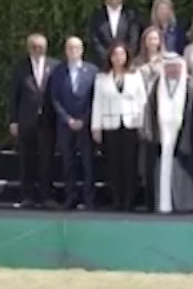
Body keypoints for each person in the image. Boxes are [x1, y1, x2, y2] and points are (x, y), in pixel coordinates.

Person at [140, 53, 193, 214]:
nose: (172, 69)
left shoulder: (190, 85)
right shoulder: (156, 85)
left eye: (175, 66)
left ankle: (184, 204)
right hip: (161, 135)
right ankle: (163, 204)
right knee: (161, 171)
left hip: (184, 135)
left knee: (183, 171)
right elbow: (150, 111)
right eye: (168, 67)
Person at [91, 42, 148, 212]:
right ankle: (116, 199)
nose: (118, 58)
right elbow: (97, 103)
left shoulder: (135, 75)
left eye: (121, 54)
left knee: (130, 164)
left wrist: (144, 124)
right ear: (110, 57)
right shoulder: (102, 77)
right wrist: (96, 126)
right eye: (115, 54)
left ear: (127, 57)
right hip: (110, 125)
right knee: (113, 164)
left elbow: (142, 100)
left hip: (131, 124)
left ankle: (129, 201)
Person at [8, 33, 57, 209]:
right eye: (34, 46)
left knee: (47, 160)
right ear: (28, 47)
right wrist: (13, 121)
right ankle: (27, 196)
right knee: (26, 160)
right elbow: (13, 95)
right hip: (26, 121)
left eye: (41, 46)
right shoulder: (20, 67)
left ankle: (47, 196)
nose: (38, 49)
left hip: (47, 122)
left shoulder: (54, 65)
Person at [50, 36, 97, 210]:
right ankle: (71, 197)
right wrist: (67, 119)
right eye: (70, 48)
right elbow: (54, 98)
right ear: (65, 50)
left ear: (82, 50)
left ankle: (89, 198)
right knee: (68, 162)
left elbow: (95, 98)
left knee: (88, 163)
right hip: (65, 124)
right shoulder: (58, 71)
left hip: (86, 123)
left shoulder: (92, 71)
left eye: (76, 48)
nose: (73, 51)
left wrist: (84, 119)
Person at [86, 0, 141, 67]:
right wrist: (108, 59)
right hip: (102, 65)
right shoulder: (96, 16)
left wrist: (124, 58)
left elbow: (134, 40)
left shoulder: (131, 15)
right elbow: (95, 40)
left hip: (127, 65)